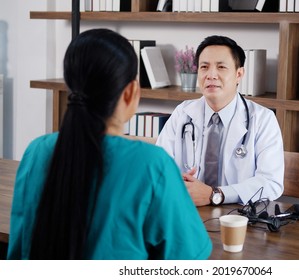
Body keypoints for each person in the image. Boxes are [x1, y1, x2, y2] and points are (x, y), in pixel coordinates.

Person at [7, 29, 212, 260]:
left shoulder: (36, 151)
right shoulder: (152, 164)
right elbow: (189, 260)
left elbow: (17, 251)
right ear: (131, 92)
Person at [156, 35, 284, 207]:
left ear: (239, 74)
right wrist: (175, 181)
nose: (211, 75)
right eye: (204, 67)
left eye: (221, 67)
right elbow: (159, 167)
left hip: (237, 218)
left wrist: (215, 195)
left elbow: (271, 184)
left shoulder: (263, 119)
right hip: (187, 211)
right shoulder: (182, 113)